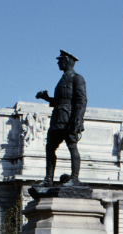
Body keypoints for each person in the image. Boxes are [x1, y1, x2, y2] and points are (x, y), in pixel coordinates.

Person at [35, 50, 88, 187]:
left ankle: (74, 178)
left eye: (60, 60)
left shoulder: (77, 78)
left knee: (72, 147)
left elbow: (81, 100)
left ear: (67, 61)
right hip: (57, 119)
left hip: (69, 120)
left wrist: (78, 118)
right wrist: (46, 98)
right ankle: (48, 179)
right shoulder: (62, 79)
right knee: (50, 148)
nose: (58, 62)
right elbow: (61, 100)